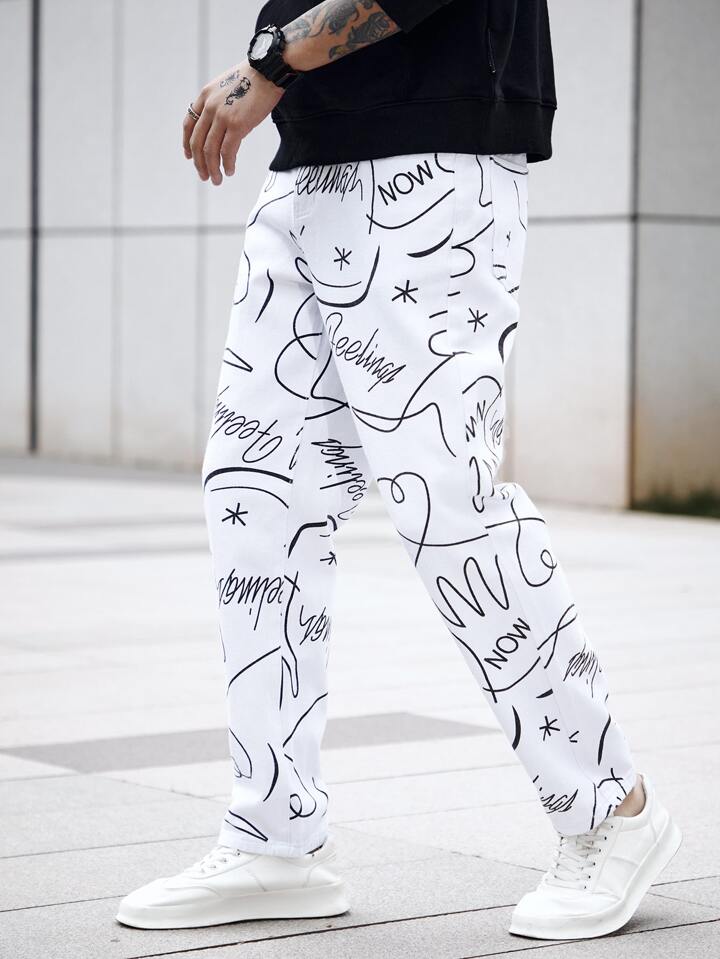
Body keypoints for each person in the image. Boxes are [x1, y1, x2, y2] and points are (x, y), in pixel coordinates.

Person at [116, 0, 682, 940]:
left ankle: (609, 807)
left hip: (430, 157)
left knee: (444, 498)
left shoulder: (299, 71)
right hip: (308, 161)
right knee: (256, 494)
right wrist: (284, 76)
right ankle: (274, 834)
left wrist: (273, 60)